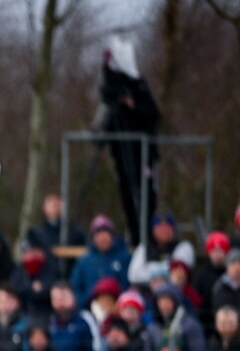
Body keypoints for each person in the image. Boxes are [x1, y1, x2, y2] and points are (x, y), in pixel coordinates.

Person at [97, 36, 160, 246]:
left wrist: (132, 106)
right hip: (122, 156)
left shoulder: (139, 87)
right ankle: (134, 234)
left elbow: (153, 114)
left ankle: (146, 235)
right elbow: (103, 123)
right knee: (127, 196)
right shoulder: (111, 94)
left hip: (142, 154)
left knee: (145, 197)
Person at [70, 215, 131, 305]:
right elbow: (75, 287)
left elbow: (129, 285)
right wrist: (84, 302)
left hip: (119, 307)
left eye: (105, 234)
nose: (102, 238)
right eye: (98, 235)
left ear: (112, 236)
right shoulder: (84, 261)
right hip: (89, 307)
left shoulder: (125, 258)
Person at [127, 212, 195, 287]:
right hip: (146, 291)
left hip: (175, 292)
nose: (163, 231)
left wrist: (148, 268)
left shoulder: (183, 246)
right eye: (159, 227)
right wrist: (160, 272)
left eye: (167, 227)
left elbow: (178, 274)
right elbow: (133, 276)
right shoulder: (144, 247)